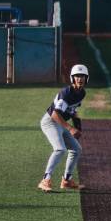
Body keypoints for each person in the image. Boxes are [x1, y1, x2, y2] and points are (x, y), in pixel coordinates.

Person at [37, 64, 89, 193]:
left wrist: (78, 127)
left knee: (76, 149)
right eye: (77, 76)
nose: (80, 79)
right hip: (50, 122)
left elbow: (73, 111)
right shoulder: (66, 93)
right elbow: (55, 114)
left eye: (82, 76)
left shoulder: (81, 93)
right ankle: (45, 179)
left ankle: (66, 180)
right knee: (60, 149)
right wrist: (71, 129)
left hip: (60, 123)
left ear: (86, 78)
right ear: (72, 78)